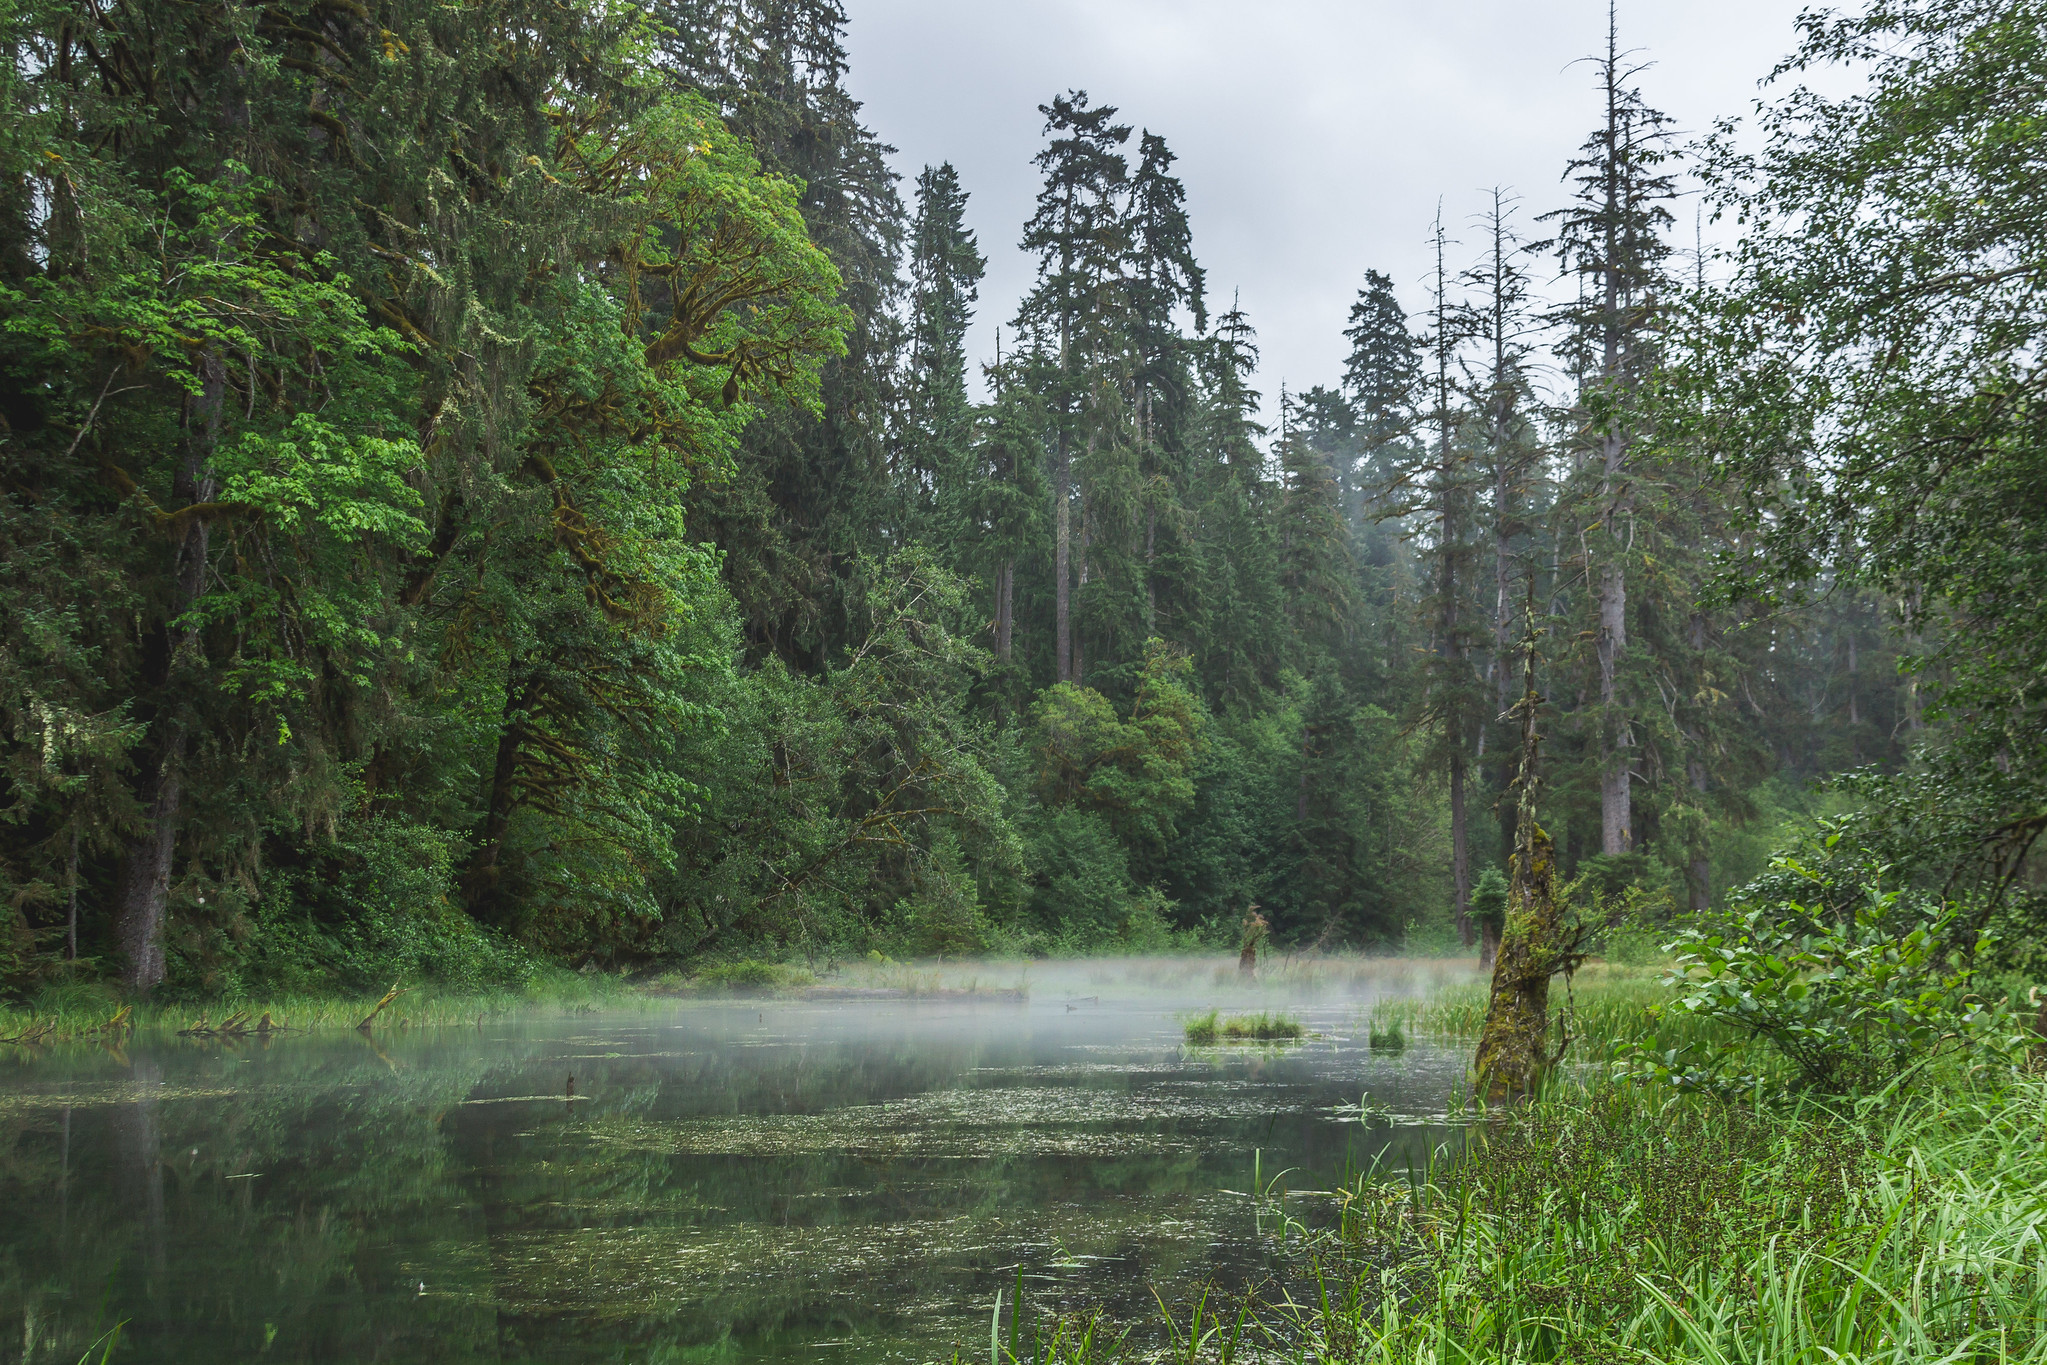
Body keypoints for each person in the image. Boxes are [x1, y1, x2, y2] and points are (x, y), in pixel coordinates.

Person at [1238, 906, 1269, 979]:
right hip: (1247, 950)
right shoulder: (1251, 927)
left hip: (1249, 950)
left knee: (1248, 970)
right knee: (1244, 969)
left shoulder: (1258, 928)